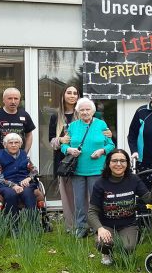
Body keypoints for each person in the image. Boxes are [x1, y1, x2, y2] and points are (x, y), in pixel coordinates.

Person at [61, 97, 116, 238]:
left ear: (93, 111)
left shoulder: (101, 124)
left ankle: (97, 227)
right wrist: (69, 150)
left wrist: (102, 151)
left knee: (96, 200)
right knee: (79, 201)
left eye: (88, 109)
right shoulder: (72, 126)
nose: (85, 112)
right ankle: (81, 227)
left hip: (97, 169)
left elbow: (111, 145)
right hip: (77, 169)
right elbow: (63, 145)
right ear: (77, 111)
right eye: (82, 110)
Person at [89, 149, 152, 266]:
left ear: (127, 164)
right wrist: (100, 228)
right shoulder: (100, 183)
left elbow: (150, 200)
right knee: (104, 243)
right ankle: (106, 253)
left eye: (122, 161)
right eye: (114, 161)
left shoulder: (134, 180)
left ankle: (125, 252)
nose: (118, 164)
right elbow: (92, 211)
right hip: (107, 225)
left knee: (128, 247)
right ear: (108, 163)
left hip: (128, 224)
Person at [49, 85, 80, 233]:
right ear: (63, 96)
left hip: (82, 160)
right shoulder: (56, 116)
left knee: (82, 194)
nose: (72, 95)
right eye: (69, 93)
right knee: (67, 195)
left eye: (75, 93)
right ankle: (70, 226)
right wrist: (61, 140)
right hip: (64, 161)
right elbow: (51, 141)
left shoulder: (83, 113)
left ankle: (84, 223)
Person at [0, 133, 40, 217]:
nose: (14, 145)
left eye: (16, 142)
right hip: (5, 185)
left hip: (24, 183)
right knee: (11, 194)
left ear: (20, 144)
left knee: (28, 192)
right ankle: (13, 224)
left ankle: (33, 224)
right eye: (11, 143)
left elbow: (34, 170)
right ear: (5, 145)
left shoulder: (23, 155)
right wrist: (13, 185)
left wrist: (28, 178)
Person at [0, 87, 36, 159]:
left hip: (18, 159)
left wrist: (25, 153)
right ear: (3, 100)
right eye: (9, 98)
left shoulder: (24, 115)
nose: (13, 101)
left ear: (19, 100)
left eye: (16, 98)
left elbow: (29, 135)